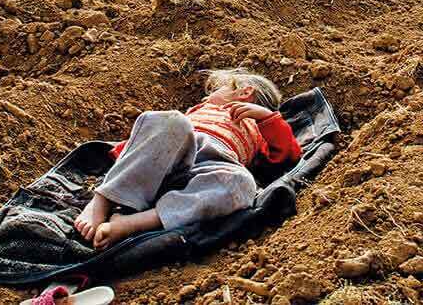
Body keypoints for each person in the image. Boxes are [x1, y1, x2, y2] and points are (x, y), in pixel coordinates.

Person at [73, 68, 301, 250]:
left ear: (244, 92)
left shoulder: (261, 128)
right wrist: (127, 154)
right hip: (170, 158)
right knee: (172, 121)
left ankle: (134, 222)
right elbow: (150, 140)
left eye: (217, 90)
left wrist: (269, 118)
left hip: (208, 171)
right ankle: (101, 201)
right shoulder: (196, 112)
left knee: (243, 183)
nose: (206, 97)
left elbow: (287, 155)